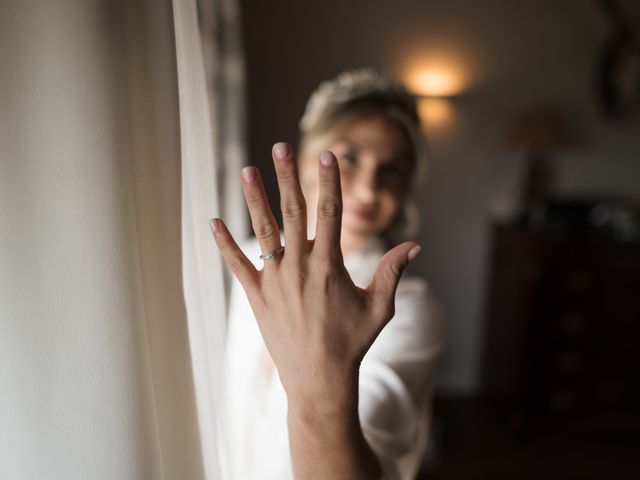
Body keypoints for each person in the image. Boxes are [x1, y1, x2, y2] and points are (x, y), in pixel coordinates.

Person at [210, 69, 444, 480]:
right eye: (349, 158)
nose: (369, 189)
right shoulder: (249, 260)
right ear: (305, 158)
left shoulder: (405, 310)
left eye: (391, 169)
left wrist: (319, 384)